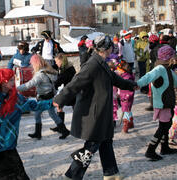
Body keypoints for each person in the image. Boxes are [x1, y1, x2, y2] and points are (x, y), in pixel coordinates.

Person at [53, 35, 137, 180]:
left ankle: (111, 173)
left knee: (106, 142)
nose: (113, 48)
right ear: (107, 48)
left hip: (101, 113)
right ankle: (72, 175)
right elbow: (75, 83)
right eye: (111, 46)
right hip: (94, 115)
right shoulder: (92, 65)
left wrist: (132, 85)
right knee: (91, 147)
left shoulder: (101, 62)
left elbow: (115, 78)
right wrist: (59, 99)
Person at [0, 69, 53, 180]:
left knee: (18, 175)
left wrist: (51, 103)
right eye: (11, 80)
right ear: (3, 82)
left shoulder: (16, 99)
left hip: (8, 142)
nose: (14, 82)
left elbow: (34, 105)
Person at [137, 45, 177, 161]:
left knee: (167, 124)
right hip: (162, 103)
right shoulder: (159, 69)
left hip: (168, 102)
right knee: (163, 126)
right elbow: (148, 76)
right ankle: (150, 150)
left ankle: (164, 147)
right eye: (172, 56)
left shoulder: (168, 70)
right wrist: (137, 84)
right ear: (168, 58)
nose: (174, 58)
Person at [17, 54, 70, 139]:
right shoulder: (47, 70)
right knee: (51, 114)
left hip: (43, 97)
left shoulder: (40, 74)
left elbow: (29, 85)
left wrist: (16, 88)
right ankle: (63, 130)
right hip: (49, 96)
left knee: (38, 114)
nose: (32, 65)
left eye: (32, 63)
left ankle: (39, 133)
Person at [50, 53, 76, 132]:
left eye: (57, 61)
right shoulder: (65, 67)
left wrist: (53, 87)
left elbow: (60, 80)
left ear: (61, 61)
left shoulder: (67, 70)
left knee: (75, 110)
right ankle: (60, 126)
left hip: (71, 92)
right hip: (69, 90)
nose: (56, 63)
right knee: (60, 106)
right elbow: (53, 67)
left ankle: (63, 127)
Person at [117, 60, 135, 133]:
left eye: (118, 70)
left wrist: (127, 96)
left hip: (126, 97)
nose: (118, 72)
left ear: (122, 70)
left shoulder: (127, 78)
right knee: (128, 110)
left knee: (126, 111)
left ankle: (126, 125)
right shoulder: (124, 76)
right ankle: (131, 123)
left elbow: (130, 90)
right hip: (124, 96)